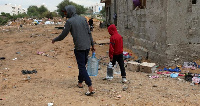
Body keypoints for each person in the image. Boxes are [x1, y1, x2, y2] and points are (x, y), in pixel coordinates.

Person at [52, 5, 95, 96]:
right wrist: (92, 45)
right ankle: (80, 82)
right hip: (87, 46)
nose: (65, 14)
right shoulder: (83, 19)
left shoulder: (69, 22)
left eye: (65, 12)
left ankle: (90, 86)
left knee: (82, 67)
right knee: (82, 65)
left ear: (70, 11)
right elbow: (89, 33)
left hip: (79, 47)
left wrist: (55, 39)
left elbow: (63, 35)